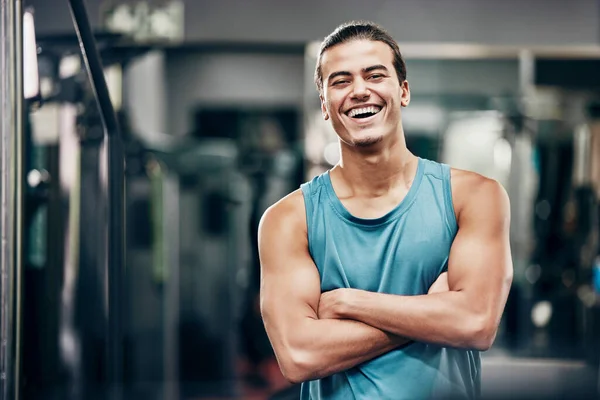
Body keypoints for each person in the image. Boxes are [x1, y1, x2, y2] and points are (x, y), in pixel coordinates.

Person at [258, 21, 513, 400]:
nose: (360, 91)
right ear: (325, 105)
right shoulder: (289, 219)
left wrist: (350, 302)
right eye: (340, 81)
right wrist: (433, 311)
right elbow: (299, 355)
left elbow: (476, 323)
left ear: (403, 91)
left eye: (374, 75)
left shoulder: (474, 197)